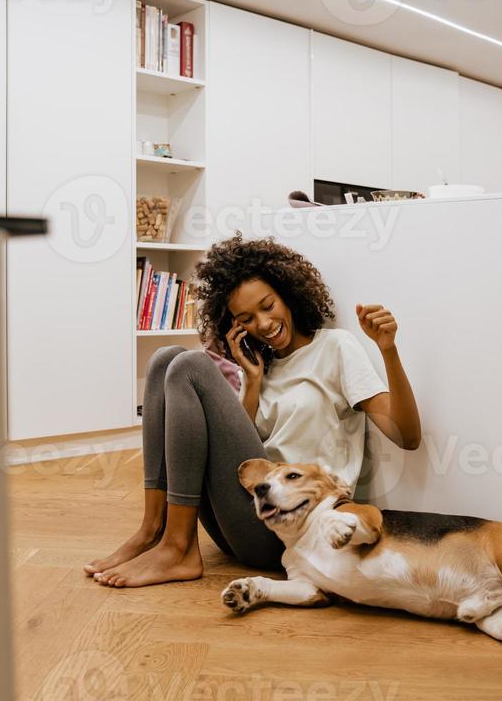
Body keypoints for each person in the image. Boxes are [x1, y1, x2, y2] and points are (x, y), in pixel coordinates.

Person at [84, 233, 421, 588]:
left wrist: (388, 350)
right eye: (246, 318)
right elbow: (240, 456)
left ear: (288, 295)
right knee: (164, 359)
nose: (262, 323)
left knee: (189, 366)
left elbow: (407, 436)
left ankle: (177, 547)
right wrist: (254, 381)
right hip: (244, 518)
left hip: (298, 529)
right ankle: (153, 529)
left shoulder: (335, 347)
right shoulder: (261, 367)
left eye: (268, 305)